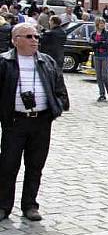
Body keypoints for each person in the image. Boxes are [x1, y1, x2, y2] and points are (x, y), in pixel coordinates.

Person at [0, 22, 70, 221]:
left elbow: (60, 89)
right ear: (16, 41)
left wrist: (56, 108)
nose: (35, 40)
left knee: (35, 166)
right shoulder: (4, 62)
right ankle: (3, 206)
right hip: (14, 122)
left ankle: (30, 205)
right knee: (7, 166)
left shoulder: (46, 61)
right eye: (29, 37)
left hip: (41, 122)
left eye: (36, 36)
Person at [91, 18, 108, 102]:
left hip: (105, 56)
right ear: (97, 24)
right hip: (96, 55)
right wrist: (99, 43)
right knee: (98, 76)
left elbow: (106, 43)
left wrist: (98, 43)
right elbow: (92, 44)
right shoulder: (93, 34)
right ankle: (102, 94)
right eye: (100, 23)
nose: (102, 25)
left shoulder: (107, 33)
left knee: (104, 74)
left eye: (103, 23)